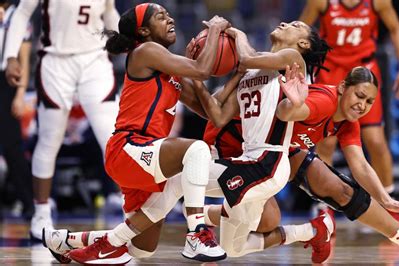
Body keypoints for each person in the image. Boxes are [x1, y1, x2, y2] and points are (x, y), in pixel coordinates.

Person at [44, 20, 333, 264]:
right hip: (248, 162)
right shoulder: (251, 74)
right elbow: (217, 115)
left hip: (266, 163)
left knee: (182, 177)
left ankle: (116, 241)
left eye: (295, 26)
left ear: (304, 45)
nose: (286, 23)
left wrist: (235, 34)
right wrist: (192, 74)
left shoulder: (292, 60)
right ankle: (312, 231)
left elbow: (245, 57)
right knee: (233, 246)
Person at [204, 66, 399, 263]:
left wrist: (386, 199)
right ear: (342, 88)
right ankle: (202, 218)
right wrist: (294, 99)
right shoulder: (324, 102)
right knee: (266, 222)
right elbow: (284, 113)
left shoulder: (348, 122)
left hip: (279, 152)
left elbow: (360, 165)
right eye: (359, 96)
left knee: (343, 191)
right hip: (239, 147)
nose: (362, 105)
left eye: (369, 101)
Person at [59, 3, 231, 264]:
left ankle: (68, 241)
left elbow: (211, 113)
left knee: (141, 249)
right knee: (197, 149)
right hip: (129, 147)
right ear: (144, 31)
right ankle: (196, 232)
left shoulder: (170, 72)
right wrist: (216, 31)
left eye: (168, 14)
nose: (170, 18)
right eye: (160, 17)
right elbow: (202, 69)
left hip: (146, 156)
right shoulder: (146, 51)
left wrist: (212, 76)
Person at [3, 0, 121, 240]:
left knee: (112, 136)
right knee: (50, 139)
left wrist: (123, 40)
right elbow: (23, 12)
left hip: (95, 60)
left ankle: (130, 206)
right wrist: (10, 56)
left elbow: (109, 13)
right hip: (56, 61)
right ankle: (41, 213)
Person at [299, 0, 399, 226]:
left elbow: (396, 28)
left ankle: (390, 204)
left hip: (365, 73)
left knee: (376, 141)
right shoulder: (321, 2)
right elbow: (300, 30)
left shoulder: (377, 2)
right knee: (326, 142)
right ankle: (323, 207)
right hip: (331, 71)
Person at [0, 0, 33, 219]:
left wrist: (20, 94)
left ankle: (30, 203)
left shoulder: (18, 15)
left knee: (12, 146)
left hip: (7, 82)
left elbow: (24, 58)